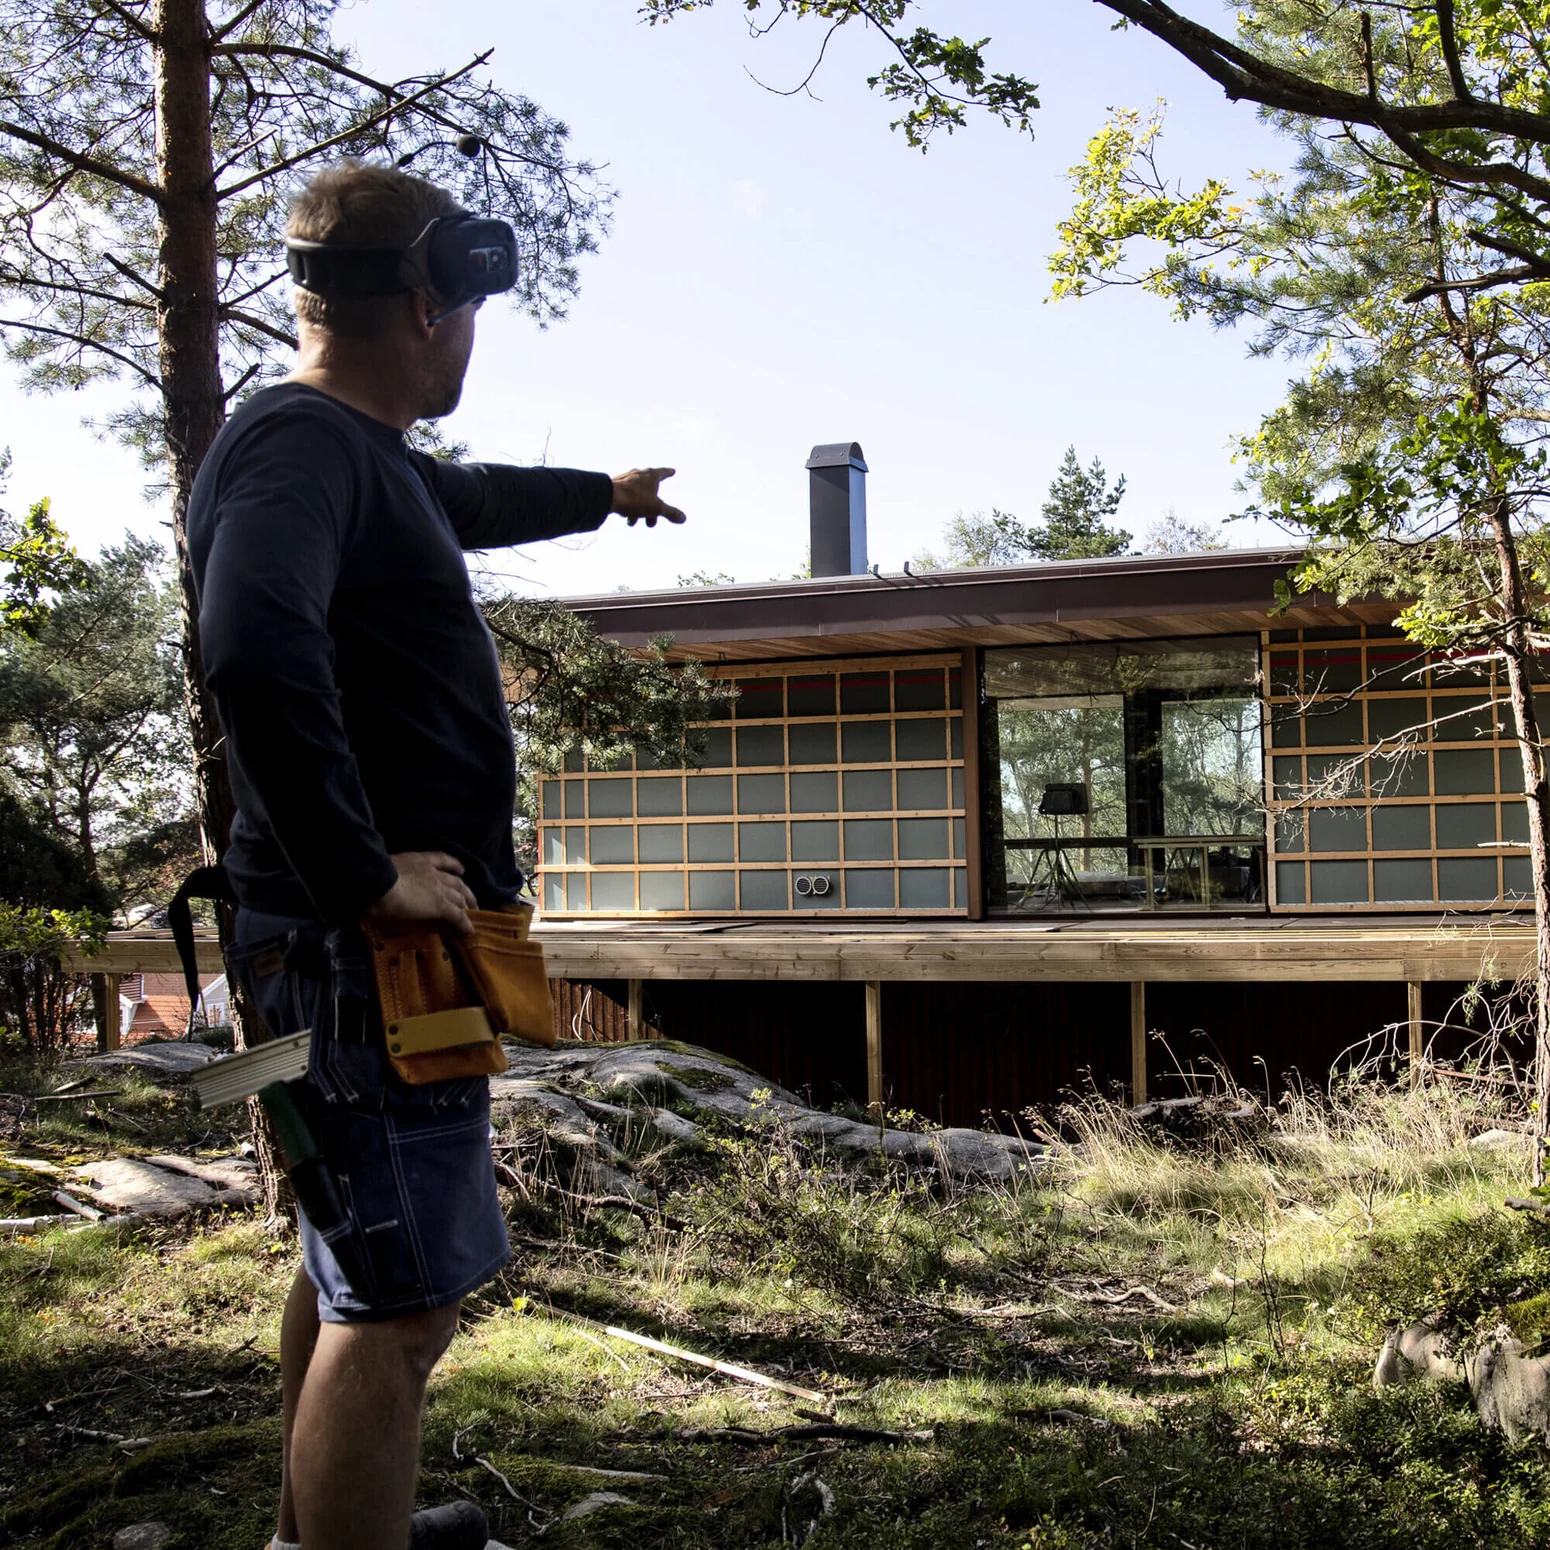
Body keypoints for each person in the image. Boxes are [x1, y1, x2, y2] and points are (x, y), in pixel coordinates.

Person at [186, 161, 684, 1550]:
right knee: (401, 1308)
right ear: (428, 303)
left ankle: (318, 1535)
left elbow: (463, 500)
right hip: (363, 950)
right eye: (469, 312)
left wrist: (601, 494)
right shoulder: (300, 448)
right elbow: (253, 646)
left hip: (351, 949)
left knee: (353, 1265)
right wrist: (365, 874)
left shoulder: (354, 455)